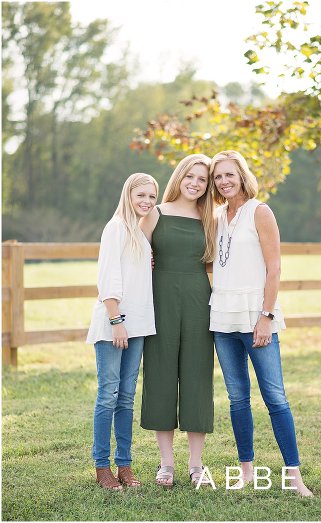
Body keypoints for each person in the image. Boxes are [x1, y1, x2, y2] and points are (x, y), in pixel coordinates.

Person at [208, 150, 313, 496]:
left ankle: (294, 477)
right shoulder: (218, 216)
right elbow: (217, 263)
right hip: (223, 319)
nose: (224, 181)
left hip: (257, 317)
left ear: (242, 176)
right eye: (218, 176)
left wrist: (266, 317)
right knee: (237, 398)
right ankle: (246, 471)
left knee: (275, 397)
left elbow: (275, 267)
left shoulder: (260, 211)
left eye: (229, 175)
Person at [139, 153, 217, 487]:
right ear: (179, 177)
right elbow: (134, 256)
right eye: (190, 177)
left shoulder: (212, 218)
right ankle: (166, 464)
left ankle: (196, 464)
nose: (195, 183)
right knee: (160, 374)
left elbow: (219, 263)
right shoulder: (155, 214)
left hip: (200, 302)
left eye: (202, 179)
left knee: (198, 377)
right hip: (160, 302)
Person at [86, 172, 159, 490]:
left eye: (151, 197)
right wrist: (116, 321)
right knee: (108, 396)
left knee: (127, 399)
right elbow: (108, 278)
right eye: (140, 195)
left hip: (139, 325)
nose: (146, 202)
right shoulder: (115, 229)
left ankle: (125, 466)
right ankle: (102, 468)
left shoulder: (140, 233)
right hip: (115, 323)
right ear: (127, 195)